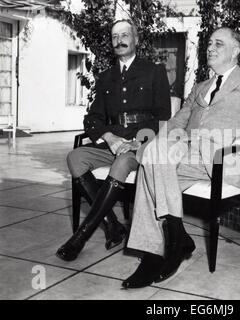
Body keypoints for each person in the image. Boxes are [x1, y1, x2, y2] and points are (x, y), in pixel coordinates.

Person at [121, 27, 240, 289]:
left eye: (219, 43)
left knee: (152, 163)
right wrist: (149, 140)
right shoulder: (200, 87)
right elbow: (177, 122)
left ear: (236, 51)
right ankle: (166, 244)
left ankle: (171, 244)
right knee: (152, 155)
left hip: (224, 158)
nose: (211, 48)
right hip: (188, 153)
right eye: (209, 44)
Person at [56, 18, 171, 262]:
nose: (119, 41)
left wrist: (139, 141)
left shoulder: (154, 71)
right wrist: (108, 137)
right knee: (75, 157)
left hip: (142, 145)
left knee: (120, 164)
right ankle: (113, 225)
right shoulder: (106, 77)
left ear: (136, 39)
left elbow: (164, 116)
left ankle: (81, 237)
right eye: (115, 37)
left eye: (124, 35)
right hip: (114, 143)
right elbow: (93, 118)